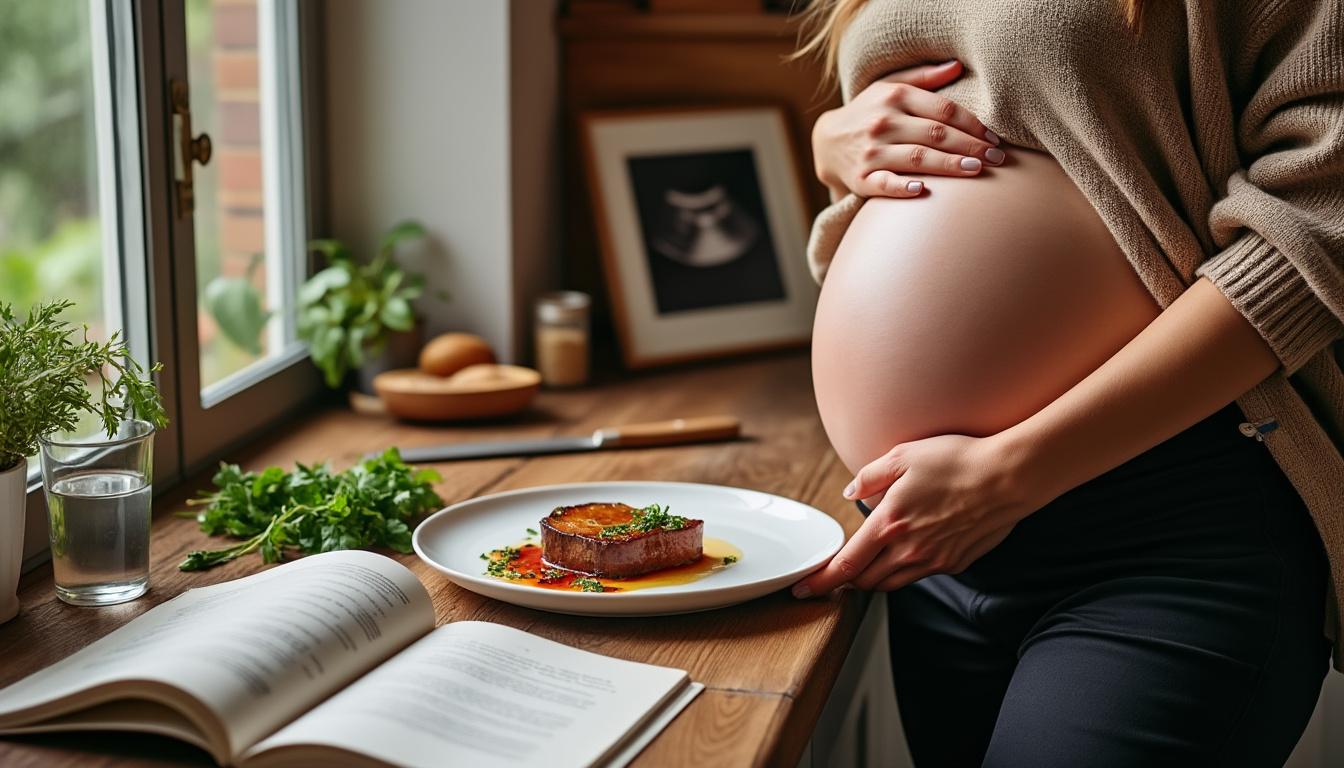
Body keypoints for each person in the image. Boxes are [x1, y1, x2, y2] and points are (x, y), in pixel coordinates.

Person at [789, 0, 1344, 765]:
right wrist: (834, 138)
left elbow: (1322, 221)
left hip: (1168, 531)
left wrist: (1014, 471)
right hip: (941, 546)